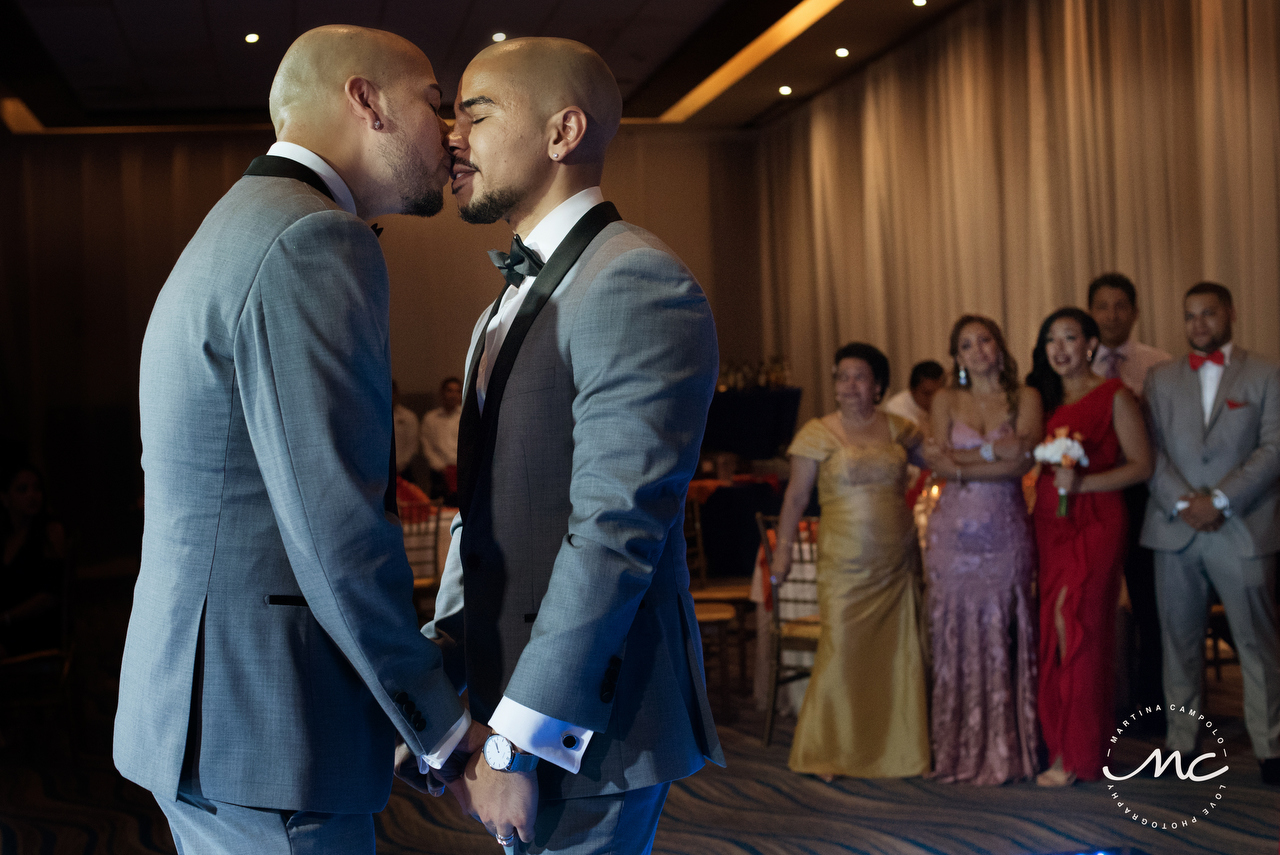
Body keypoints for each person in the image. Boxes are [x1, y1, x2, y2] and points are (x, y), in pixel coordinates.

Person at [114, 26, 468, 852]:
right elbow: (335, 530)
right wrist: (442, 728)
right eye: (433, 101)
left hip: (204, 711)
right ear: (365, 100)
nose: (448, 129)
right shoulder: (313, 238)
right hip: (266, 726)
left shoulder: (237, 223)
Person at [419, 37, 723, 854]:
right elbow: (479, 514)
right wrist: (448, 662)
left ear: (563, 132)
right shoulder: (505, 301)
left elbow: (617, 530)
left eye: (476, 114)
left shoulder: (633, 279)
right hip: (506, 690)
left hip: (591, 720)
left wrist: (520, 736)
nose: (453, 137)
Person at [771, 343, 930, 781]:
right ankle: (831, 750)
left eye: (859, 376)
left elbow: (941, 461)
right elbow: (797, 497)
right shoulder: (816, 433)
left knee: (898, 654)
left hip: (897, 562)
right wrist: (783, 549)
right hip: (844, 563)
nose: (848, 385)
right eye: (841, 376)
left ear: (878, 385)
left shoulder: (900, 429)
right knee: (842, 649)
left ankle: (899, 748)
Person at [1141, 282, 1280, 785]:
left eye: (1208, 314)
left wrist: (1219, 500)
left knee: (1257, 642)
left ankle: (1271, 746)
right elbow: (1148, 452)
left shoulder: (1267, 372)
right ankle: (1182, 744)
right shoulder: (1158, 378)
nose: (1199, 324)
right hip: (1174, 527)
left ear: (1231, 313)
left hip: (1242, 524)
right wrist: (1184, 503)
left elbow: (1273, 448)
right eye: (1190, 316)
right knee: (1178, 643)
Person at [1025, 308, 1153, 786]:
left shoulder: (1114, 395)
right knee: (1054, 629)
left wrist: (1084, 483)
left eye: (1070, 338)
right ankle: (1063, 745)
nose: (1060, 348)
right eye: (1051, 339)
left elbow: (1142, 466)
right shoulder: (1043, 398)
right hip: (1051, 525)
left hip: (1096, 519)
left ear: (1091, 345)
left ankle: (1077, 754)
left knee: (1077, 623)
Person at [921, 315, 1042, 785]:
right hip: (952, 532)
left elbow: (1025, 461)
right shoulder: (945, 398)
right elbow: (938, 466)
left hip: (1006, 528)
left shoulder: (1026, 396)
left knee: (1007, 628)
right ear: (957, 356)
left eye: (984, 340)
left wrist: (964, 463)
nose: (977, 350)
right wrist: (995, 453)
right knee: (955, 630)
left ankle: (1009, 747)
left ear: (999, 344)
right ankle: (958, 750)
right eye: (966, 344)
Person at [1087, 273, 1172, 724]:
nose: (1112, 315)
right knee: (1091, 599)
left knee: (1149, 602)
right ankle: (1097, 700)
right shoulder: (1074, 366)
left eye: (1121, 306)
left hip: (1144, 494)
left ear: (1135, 312)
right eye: (1102, 306)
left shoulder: (1160, 364)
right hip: (1089, 497)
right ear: (1090, 312)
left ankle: (1153, 703)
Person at [0, 458, 65, 658]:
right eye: (22, 489)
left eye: (36, 488)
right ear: (5, 498)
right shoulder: (5, 537)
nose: (32, 495)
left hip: (36, 632)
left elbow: (51, 594)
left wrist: (7, 618)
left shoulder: (50, 532)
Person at [419, 375, 462, 502]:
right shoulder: (431, 418)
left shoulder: (465, 417)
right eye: (449, 390)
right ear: (442, 392)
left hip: (461, 472)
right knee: (439, 511)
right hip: (439, 473)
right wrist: (441, 467)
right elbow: (426, 445)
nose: (453, 395)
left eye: (457, 391)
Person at [882, 360, 946, 434]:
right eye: (927, 394)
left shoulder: (943, 403)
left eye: (937, 394)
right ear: (912, 390)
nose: (933, 399)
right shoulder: (896, 410)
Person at [392, 380, 421, 476]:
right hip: (379, 471)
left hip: (403, 468)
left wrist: (401, 465)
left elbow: (412, 444)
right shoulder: (373, 417)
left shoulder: (408, 416)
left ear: (396, 393)